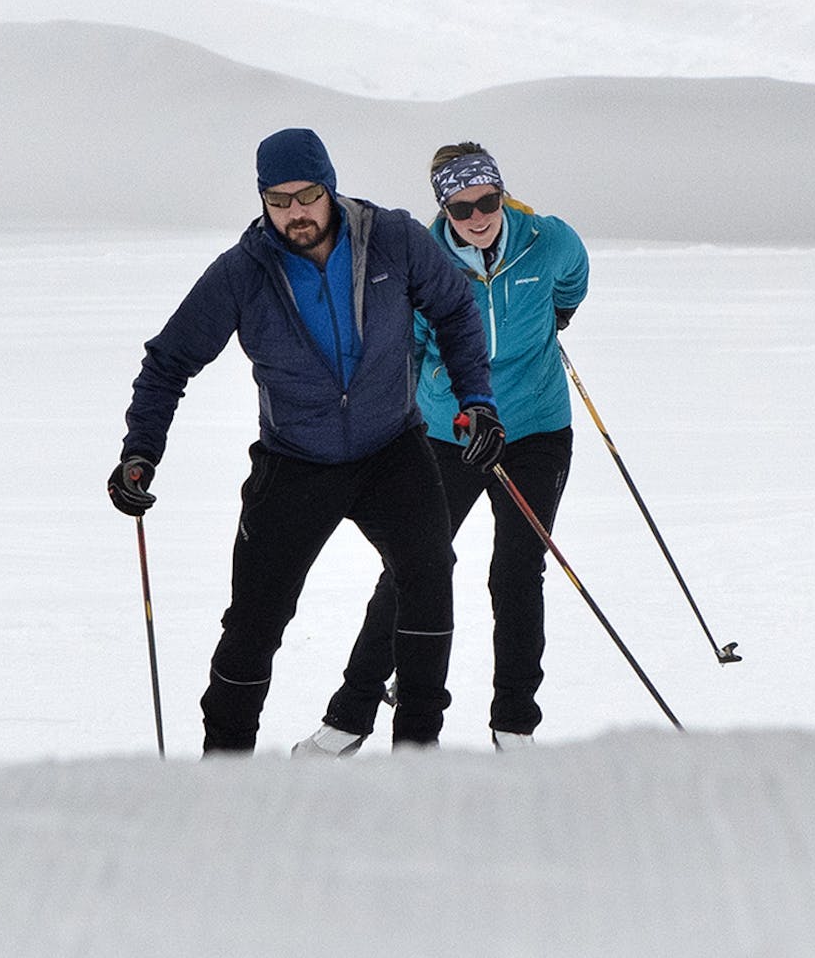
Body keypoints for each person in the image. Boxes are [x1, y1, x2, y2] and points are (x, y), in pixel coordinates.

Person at [107, 128, 504, 756]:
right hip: (295, 463)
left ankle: (418, 761)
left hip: (391, 450)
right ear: (263, 200)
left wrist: (476, 401)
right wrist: (140, 451)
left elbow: (455, 310)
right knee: (253, 624)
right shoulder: (244, 273)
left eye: (307, 195)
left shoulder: (392, 240)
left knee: (429, 577)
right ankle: (226, 774)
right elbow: (167, 362)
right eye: (278, 199)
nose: (295, 212)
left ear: (331, 186)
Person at [318, 142, 590, 753]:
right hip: (451, 431)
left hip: (537, 427)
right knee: (415, 568)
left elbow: (574, 281)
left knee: (517, 573)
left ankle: (514, 723)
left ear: (501, 193)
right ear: (444, 209)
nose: (477, 216)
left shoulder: (548, 241)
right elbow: (409, 345)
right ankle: (350, 715)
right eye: (461, 207)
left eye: (487, 201)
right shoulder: (425, 260)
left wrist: (556, 318)